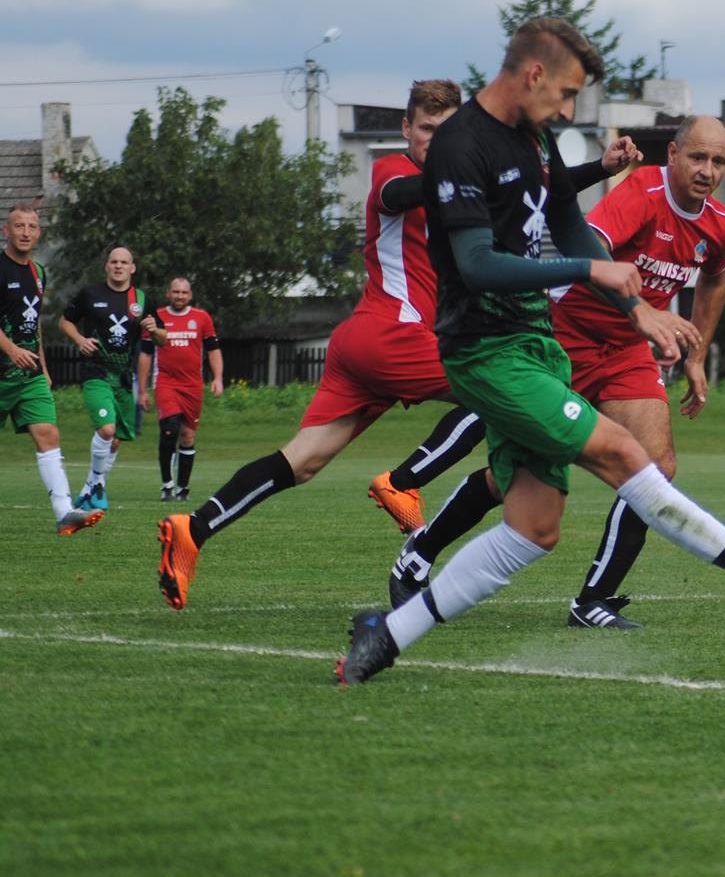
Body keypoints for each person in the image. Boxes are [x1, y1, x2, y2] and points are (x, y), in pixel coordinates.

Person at [337, 17, 725, 685]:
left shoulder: (534, 137)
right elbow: (477, 262)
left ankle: (384, 636)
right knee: (626, 454)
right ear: (533, 74)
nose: (568, 110)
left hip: (535, 342)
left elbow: (566, 219)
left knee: (533, 527)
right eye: (566, 95)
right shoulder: (459, 147)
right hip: (486, 349)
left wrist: (639, 306)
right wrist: (596, 273)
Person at [388, 113, 725, 631]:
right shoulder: (641, 194)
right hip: (563, 339)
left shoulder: (718, 224)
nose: (708, 170)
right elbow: (586, 247)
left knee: (656, 469)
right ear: (673, 156)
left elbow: (715, 279)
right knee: (520, 480)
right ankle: (422, 548)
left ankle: (593, 599)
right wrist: (645, 310)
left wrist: (697, 353)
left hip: (626, 353)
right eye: (698, 157)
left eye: (719, 161)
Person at [156, 80, 492, 610]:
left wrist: (597, 172)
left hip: (364, 343)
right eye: (427, 130)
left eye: (447, 132)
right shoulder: (394, 171)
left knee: (302, 462)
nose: (436, 140)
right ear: (406, 130)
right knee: (497, 395)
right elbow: (407, 194)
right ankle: (402, 482)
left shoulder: (454, 187)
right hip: (389, 335)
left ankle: (192, 530)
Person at [1, 203, 104, 534]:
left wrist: (42, 367)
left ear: (39, 233)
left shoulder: (38, 273)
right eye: (19, 226)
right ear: (6, 231)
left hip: (28, 374)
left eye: (32, 226)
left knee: (48, 433)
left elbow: (34, 326)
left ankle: (65, 514)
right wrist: (10, 349)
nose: (26, 232)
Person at [58, 246, 166, 513]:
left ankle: (89, 489)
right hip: (96, 372)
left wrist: (155, 331)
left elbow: (163, 337)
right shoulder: (90, 294)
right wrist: (80, 340)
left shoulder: (142, 299)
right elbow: (65, 321)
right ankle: (96, 486)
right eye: (113, 262)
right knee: (106, 430)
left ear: (132, 268)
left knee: (115, 440)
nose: (118, 266)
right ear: (106, 266)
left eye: (124, 262)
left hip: (124, 378)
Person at [137, 276, 221, 502]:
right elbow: (145, 353)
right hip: (166, 382)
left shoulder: (202, 318)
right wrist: (143, 390)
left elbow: (213, 350)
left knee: (187, 436)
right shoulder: (158, 318)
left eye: (184, 293)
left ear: (190, 295)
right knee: (169, 429)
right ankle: (167, 485)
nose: (179, 296)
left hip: (193, 386)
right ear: (168, 293)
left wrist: (218, 378)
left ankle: (183, 488)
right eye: (176, 292)